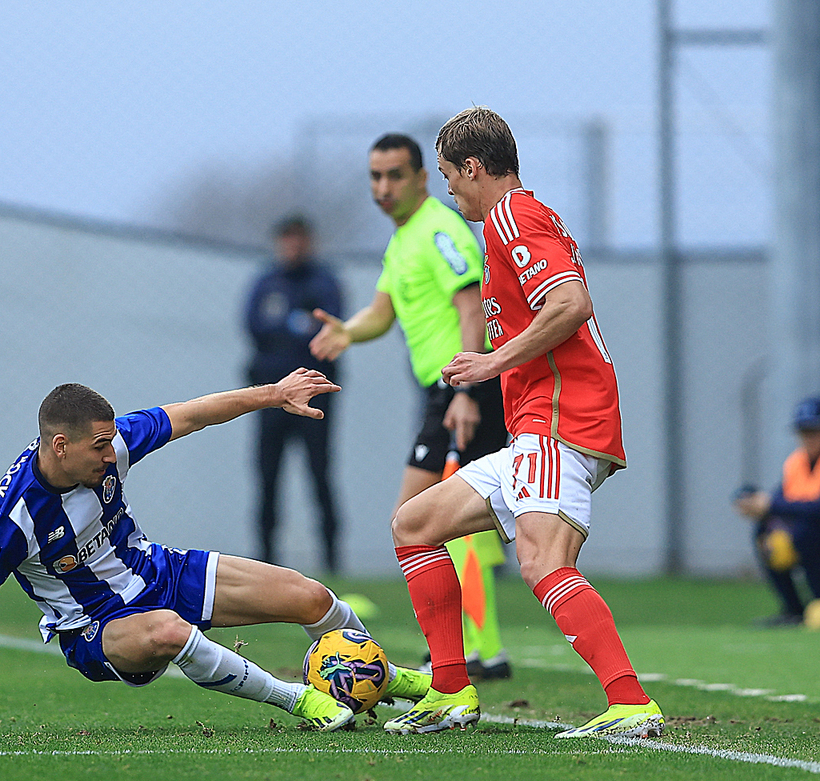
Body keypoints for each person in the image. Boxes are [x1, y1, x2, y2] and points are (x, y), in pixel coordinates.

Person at [0, 368, 432, 736]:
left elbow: (193, 413)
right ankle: (300, 701)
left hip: (158, 571)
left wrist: (274, 393)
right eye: (98, 447)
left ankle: (397, 682)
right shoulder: (7, 520)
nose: (110, 454)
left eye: (111, 441)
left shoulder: (109, 443)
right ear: (59, 446)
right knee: (168, 631)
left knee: (313, 598)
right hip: (97, 630)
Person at [380, 106, 664, 739]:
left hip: (560, 420)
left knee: (540, 561)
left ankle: (630, 702)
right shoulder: (519, 220)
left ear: (474, 168)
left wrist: (491, 362)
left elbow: (569, 304)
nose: (450, 192)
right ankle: (450, 691)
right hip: (543, 425)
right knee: (415, 524)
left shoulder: (512, 217)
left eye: (451, 178)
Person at [309, 133, 511, 679]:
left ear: (423, 177)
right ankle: (475, 649)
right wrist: (348, 332)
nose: (383, 187)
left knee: (425, 519)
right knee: (432, 521)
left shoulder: (441, 229)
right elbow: (382, 311)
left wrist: (468, 390)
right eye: (375, 177)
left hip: (465, 390)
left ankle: (468, 651)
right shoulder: (402, 242)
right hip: (443, 394)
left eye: (395, 175)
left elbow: (472, 307)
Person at [244, 215, 344, 573]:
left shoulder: (324, 281)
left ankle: (333, 561)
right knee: (267, 476)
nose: (293, 247)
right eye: (287, 239)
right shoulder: (265, 283)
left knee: (320, 473)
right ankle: (266, 560)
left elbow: (330, 330)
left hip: (316, 396)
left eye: (299, 239)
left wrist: (288, 326)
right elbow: (255, 327)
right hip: (269, 396)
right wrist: (297, 323)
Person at [734, 395, 820, 629]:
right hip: (807, 530)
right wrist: (754, 502)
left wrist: (770, 505)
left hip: (812, 532)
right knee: (765, 532)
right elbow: (783, 497)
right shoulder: (796, 462)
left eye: (814, 430)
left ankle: (817, 599)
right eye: (804, 431)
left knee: (805, 532)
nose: (809, 437)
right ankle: (793, 609)